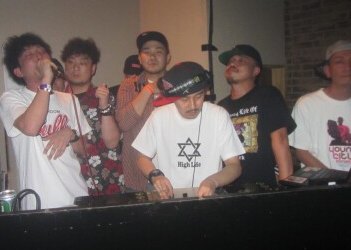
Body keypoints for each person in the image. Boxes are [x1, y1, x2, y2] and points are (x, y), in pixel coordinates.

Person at [0, 33, 91, 210]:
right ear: (18, 71)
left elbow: (83, 148)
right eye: (29, 54)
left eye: (41, 51)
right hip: (39, 201)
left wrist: (70, 133)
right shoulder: (11, 98)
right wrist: (46, 80)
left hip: (76, 195)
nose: (38, 56)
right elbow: (31, 127)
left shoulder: (69, 99)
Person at [132, 61, 244, 199]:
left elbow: (234, 166)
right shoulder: (159, 116)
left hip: (207, 198)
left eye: (199, 96)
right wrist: (155, 175)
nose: (193, 105)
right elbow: (141, 158)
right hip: (168, 199)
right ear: (173, 98)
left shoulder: (219, 115)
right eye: (184, 99)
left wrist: (213, 182)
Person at [217, 44, 296, 189]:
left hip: (263, 187)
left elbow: (281, 141)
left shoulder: (268, 95)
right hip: (228, 189)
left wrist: (286, 187)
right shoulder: (220, 107)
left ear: (256, 70)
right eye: (230, 61)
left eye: (241, 60)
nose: (233, 63)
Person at [61, 37, 123, 195]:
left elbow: (112, 142)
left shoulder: (106, 97)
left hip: (109, 179)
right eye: (71, 62)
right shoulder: (57, 101)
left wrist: (104, 105)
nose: (76, 68)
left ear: (93, 68)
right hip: (71, 182)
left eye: (82, 63)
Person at [116, 31, 171, 191]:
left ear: (168, 57)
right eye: (147, 52)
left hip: (173, 170)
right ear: (140, 58)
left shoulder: (178, 84)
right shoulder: (128, 85)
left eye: (158, 52)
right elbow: (124, 123)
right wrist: (149, 89)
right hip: (137, 174)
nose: (152, 56)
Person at [289, 40, 351, 170]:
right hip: (320, 181)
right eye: (340, 61)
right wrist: (334, 178)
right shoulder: (307, 104)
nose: (347, 67)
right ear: (327, 70)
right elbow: (302, 152)